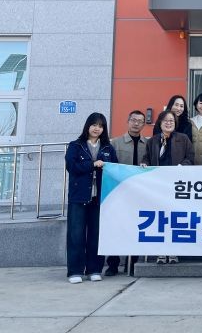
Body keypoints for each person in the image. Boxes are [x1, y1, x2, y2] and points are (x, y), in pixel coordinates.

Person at [65, 112, 118, 284]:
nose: (97, 128)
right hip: (79, 197)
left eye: (101, 126)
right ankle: (75, 271)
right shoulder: (76, 145)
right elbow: (72, 166)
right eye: (94, 125)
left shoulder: (108, 148)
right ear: (88, 126)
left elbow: (114, 169)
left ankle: (94, 269)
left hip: (99, 198)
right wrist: (92, 165)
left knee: (96, 235)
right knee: (76, 235)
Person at [142, 110, 194, 265]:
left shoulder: (183, 139)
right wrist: (144, 163)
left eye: (171, 120)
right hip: (158, 186)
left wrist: (181, 166)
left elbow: (190, 158)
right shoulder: (153, 141)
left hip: (177, 185)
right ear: (160, 123)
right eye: (165, 120)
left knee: (175, 218)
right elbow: (146, 157)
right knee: (161, 219)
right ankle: (161, 252)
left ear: (175, 123)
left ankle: (174, 252)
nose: (168, 123)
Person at [106, 109, 148, 276]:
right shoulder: (115, 143)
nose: (136, 123)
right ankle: (113, 264)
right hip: (119, 191)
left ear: (144, 124)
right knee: (116, 226)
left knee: (136, 226)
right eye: (133, 120)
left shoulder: (147, 143)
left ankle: (132, 263)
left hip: (139, 192)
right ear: (128, 121)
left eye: (140, 121)